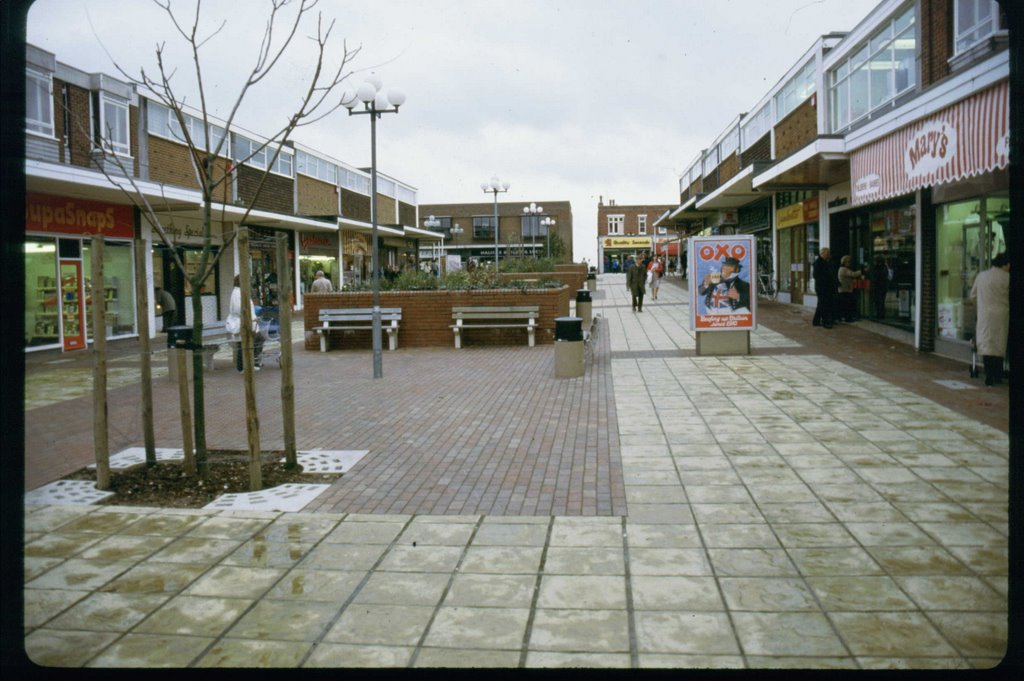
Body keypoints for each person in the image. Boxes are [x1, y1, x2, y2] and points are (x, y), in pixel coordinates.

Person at [969, 252, 1010, 386]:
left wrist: (981, 305)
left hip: (985, 315)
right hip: (1002, 315)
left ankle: (989, 374)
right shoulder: (1008, 278)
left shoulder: (982, 276)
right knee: (999, 344)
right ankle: (998, 374)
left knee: (987, 344)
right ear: (1005, 264)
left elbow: (972, 296)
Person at [227, 275, 264, 372]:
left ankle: (247, 365)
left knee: (246, 343)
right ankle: (245, 366)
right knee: (248, 343)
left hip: (247, 322)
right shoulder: (238, 293)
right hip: (243, 323)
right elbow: (239, 309)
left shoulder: (239, 292)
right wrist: (252, 318)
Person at [812, 247, 837, 328]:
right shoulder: (818, 262)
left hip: (826, 287)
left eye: (829, 253)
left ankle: (816, 321)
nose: (828, 255)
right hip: (822, 287)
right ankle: (825, 322)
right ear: (822, 253)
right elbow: (815, 275)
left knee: (821, 304)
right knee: (824, 304)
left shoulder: (826, 262)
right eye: (827, 254)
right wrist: (825, 279)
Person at [837, 255, 864, 323]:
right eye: (849, 262)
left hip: (845, 289)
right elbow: (853, 274)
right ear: (845, 262)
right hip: (845, 290)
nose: (850, 264)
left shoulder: (843, 269)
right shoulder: (844, 269)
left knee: (846, 304)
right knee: (847, 305)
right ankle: (848, 318)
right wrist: (862, 271)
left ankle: (845, 317)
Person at [869, 254, 890, 319]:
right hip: (883, 286)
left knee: (878, 301)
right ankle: (881, 314)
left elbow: (876, 276)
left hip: (878, 286)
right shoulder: (885, 267)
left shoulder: (878, 268)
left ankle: (879, 314)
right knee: (881, 301)